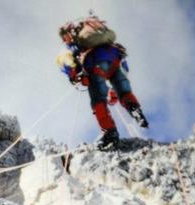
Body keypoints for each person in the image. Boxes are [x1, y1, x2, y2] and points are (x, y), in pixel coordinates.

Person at [58, 17, 149, 150]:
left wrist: (74, 75)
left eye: (64, 37)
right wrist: (114, 91)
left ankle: (110, 134)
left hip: (95, 64)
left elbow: (65, 60)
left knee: (98, 101)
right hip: (115, 58)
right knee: (124, 91)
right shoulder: (100, 37)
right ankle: (135, 109)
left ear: (67, 34)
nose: (64, 40)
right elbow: (124, 69)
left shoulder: (74, 43)